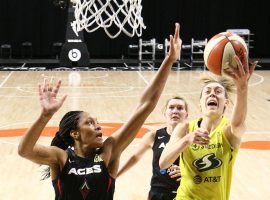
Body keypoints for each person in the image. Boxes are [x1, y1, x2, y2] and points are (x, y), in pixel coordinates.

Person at [18, 23, 182, 200]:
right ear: (75, 133)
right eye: (89, 123)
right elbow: (24, 151)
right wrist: (44, 116)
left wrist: (169, 60)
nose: (98, 127)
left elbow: (146, 105)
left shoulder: (108, 151)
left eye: (96, 122)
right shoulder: (61, 157)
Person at [159, 55, 257, 200]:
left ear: (226, 103)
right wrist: (188, 139)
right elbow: (163, 163)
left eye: (218, 92)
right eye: (207, 91)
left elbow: (238, 124)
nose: (212, 94)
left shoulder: (228, 132)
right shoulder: (185, 128)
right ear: (200, 103)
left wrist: (242, 88)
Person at [117, 96, 188, 200]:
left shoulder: (191, 137)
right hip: (158, 192)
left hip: (184, 191)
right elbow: (134, 158)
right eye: (171, 107)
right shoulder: (154, 135)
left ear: (186, 114)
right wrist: (115, 176)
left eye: (180, 108)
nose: (175, 111)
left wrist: (187, 172)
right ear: (165, 113)